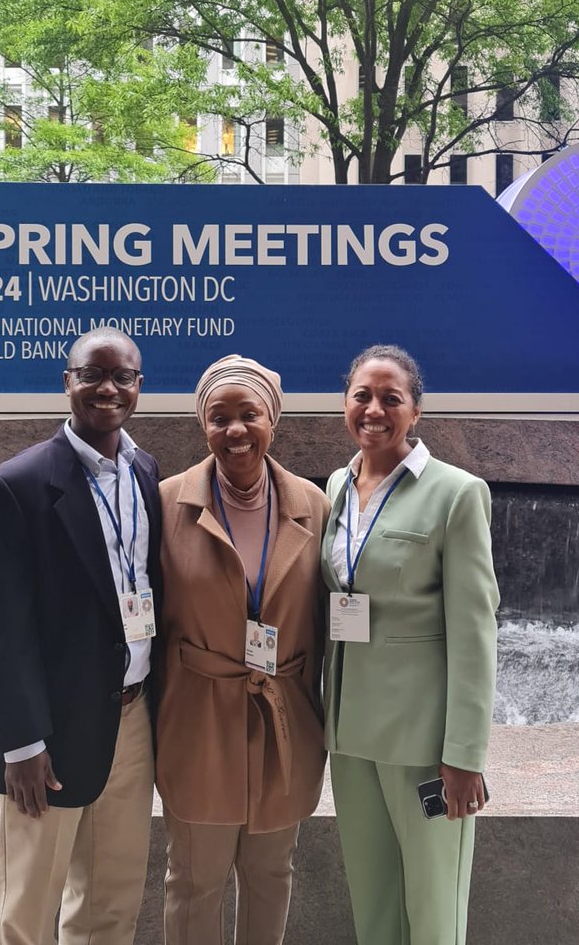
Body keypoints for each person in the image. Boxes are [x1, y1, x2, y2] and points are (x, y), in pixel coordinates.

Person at [0, 327, 162, 945]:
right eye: (92, 375)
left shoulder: (145, 471)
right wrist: (20, 745)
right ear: (67, 383)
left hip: (130, 722)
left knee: (110, 905)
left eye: (122, 376)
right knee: (26, 914)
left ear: (139, 386)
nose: (107, 388)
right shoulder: (15, 487)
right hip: (47, 737)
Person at [321, 344, 499, 945]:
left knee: (432, 906)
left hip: (423, 745)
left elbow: (476, 635)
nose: (374, 410)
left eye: (390, 399)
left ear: (415, 411)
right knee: (373, 902)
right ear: (344, 403)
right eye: (362, 396)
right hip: (351, 739)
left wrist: (465, 754)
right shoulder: (337, 487)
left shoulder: (457, 494)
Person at [156, 354, 331, 945]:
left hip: (284, 726)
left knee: (270, 875)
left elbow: (328, 621)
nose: (234, 430)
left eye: (248, 414)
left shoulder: (315, 504)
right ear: (202, 426)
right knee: (194, 882)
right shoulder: (166, 504)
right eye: (218, 417)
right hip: (198, 723)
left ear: (272, 420)